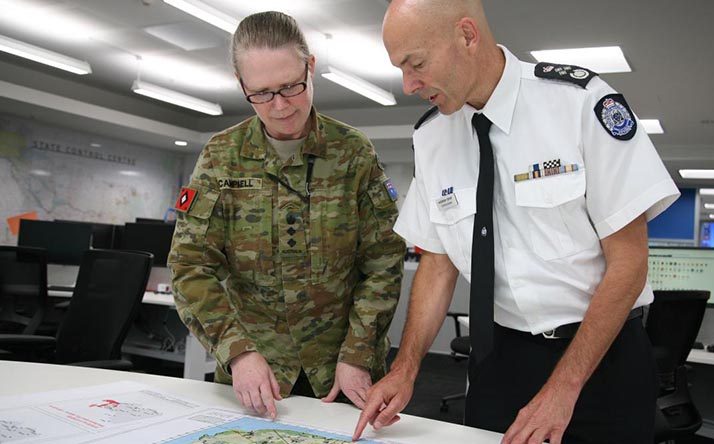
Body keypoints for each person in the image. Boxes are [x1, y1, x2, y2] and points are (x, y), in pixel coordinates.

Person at [354, 1, 680, 443]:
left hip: (602, 358)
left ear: (467, 36)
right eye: (401, 68)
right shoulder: (431, 137)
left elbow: (629, 263)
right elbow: (438, 262)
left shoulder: (580, 104)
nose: (409, 84)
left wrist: (563, 388)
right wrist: (406, 369)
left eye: (417, 64)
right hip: (501, 359)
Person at [168, 11, 404, 420]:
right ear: (241, 86)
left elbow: (382, 260)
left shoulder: (353, 153)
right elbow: (190, 266)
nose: (279, 106)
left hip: (344, 375)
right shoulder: (222, 157)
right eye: (260, 93)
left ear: (310, 67)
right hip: (256, 377)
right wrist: (237, 353)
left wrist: (359, 352)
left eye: (291, 87)